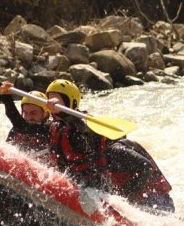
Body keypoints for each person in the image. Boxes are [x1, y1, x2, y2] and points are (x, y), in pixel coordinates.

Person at [45, 79, 174, 213]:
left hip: (155, 200)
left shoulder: (110, 147)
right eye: (50, 99)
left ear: (71, 103)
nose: (52, 103)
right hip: (114, 190)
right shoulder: (58, 128)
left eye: (58, 100)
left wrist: (125, 202)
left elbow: (145, 167)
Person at [0, 83, 51, 154]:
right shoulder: (15, 130)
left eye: (33, 113)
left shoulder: (49, 130)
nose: (28, 117)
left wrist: (7, 98)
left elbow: (13, 116)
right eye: (25, 113)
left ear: (45, 114)